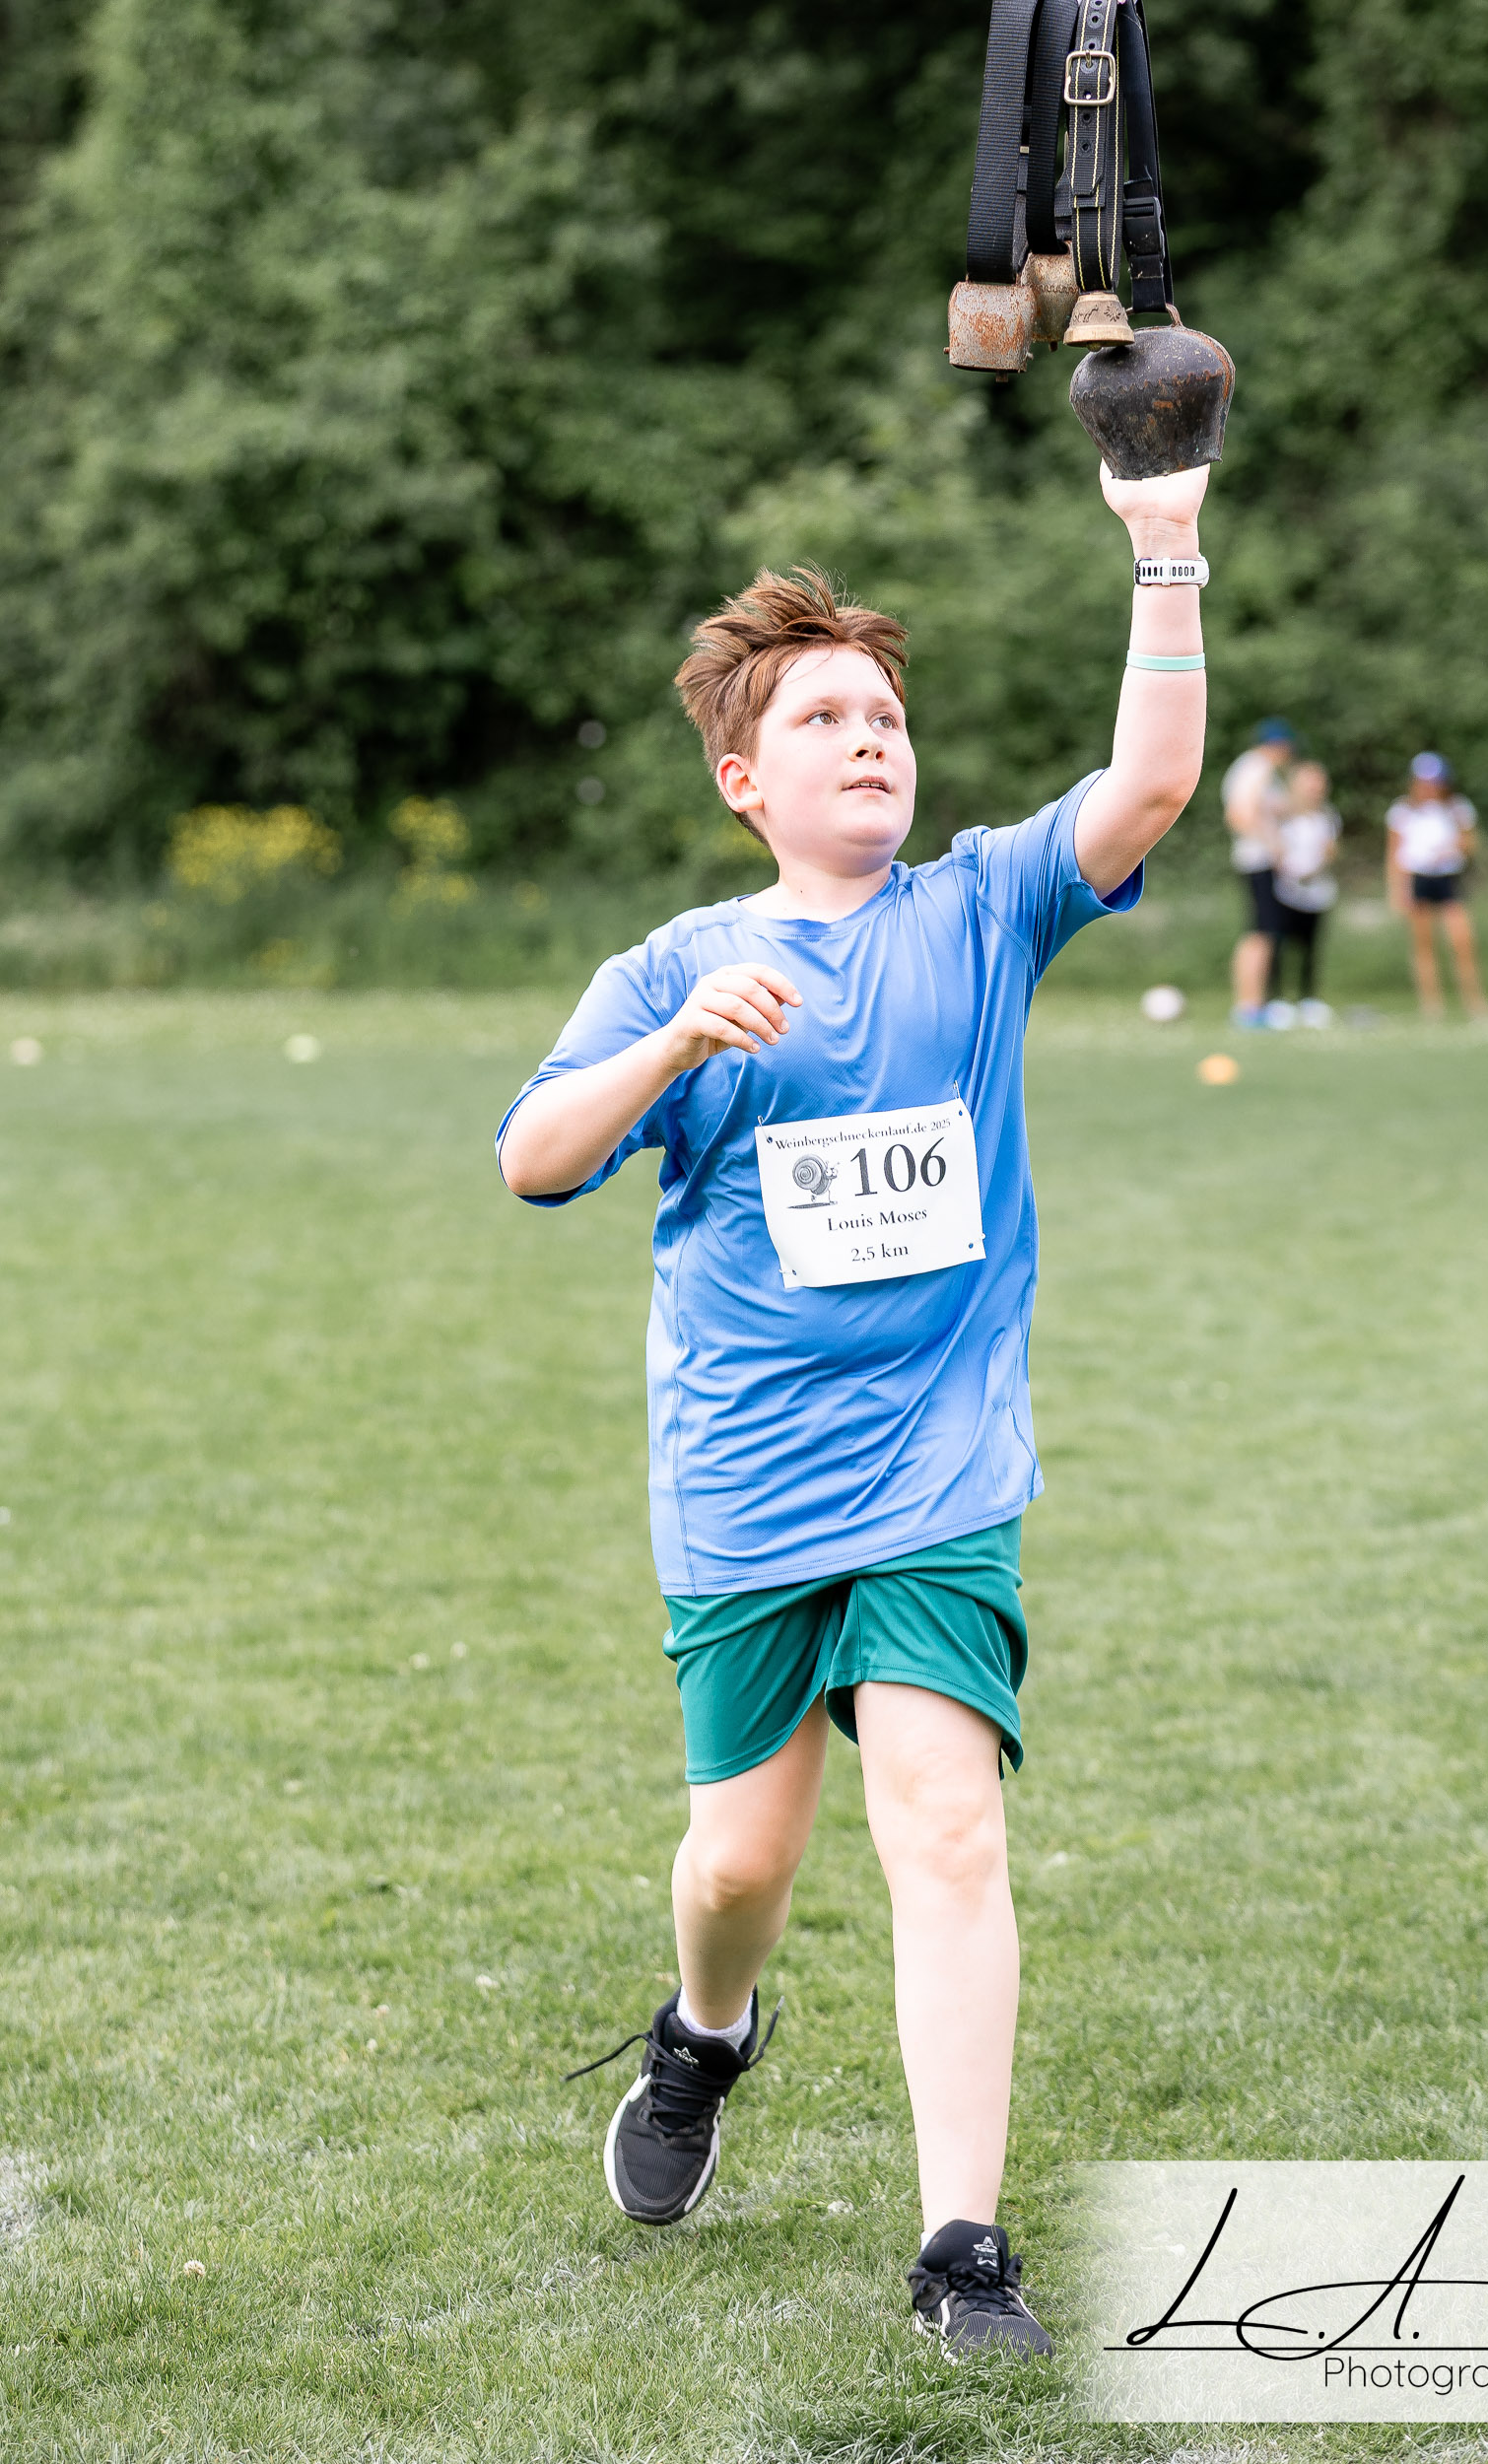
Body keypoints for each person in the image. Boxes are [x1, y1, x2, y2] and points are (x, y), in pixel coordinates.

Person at [496, 458, 1211, 2359]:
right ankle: (703, 2034)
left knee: (946, 1831)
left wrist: (1162, 543)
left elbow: (1148, 787)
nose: (869, 736)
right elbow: (532, 1160)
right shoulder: (675, 967)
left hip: (939, 1470)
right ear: (745, 778)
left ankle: (959, 2250)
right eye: (823, 716)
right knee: (740, 1863)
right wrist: (675, 1040)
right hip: (741, 1488)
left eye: (885, 712)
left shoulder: (980, 909)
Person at [1385, 751, 1488, 1019]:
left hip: (1447, 878)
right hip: (1418, 877)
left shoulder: (1457, 808)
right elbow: (1394, 854)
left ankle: (1474, 1001)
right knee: (1424, 945)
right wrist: (1397, 890)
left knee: (1462, 941)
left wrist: (1452, 848)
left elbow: (1470, 843)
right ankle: (1432, 1005)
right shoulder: (1402, 811)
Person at [1220, 718, 1294, 1028]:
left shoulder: (1249, 767)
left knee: (1260, 932)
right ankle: (1249, 1007)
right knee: (1260, 934)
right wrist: (1272, 845)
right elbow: (1239, 815)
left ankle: (1253, 1004)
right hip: (1258, 861)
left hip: (1255, 861)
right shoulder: (1257, 767)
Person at [1268, 758, 1340, 1024]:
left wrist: (1324, 860)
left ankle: (1308, 999)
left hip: (1316, 892)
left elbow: (1330, 850)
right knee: (1278, 946)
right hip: (1285, 891)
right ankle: (1276, 1000)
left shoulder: (1328, 816)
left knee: (1311, 948)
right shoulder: (1282, 814)